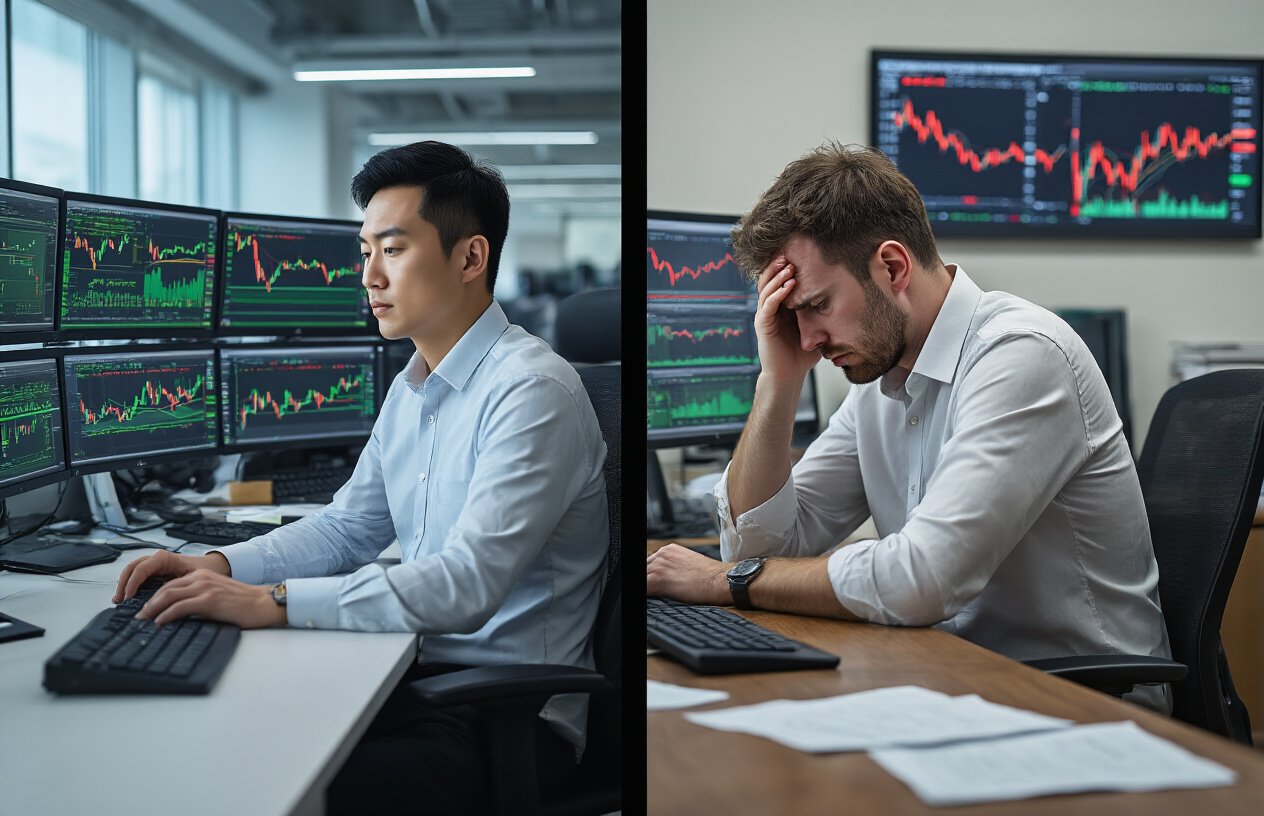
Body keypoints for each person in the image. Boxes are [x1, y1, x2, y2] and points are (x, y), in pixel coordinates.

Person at [114, 141, 610, 813]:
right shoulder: (414, 386)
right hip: (411, 677)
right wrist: (220, 564)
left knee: (275, 791)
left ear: (470, 257)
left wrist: (277, 601)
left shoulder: (531, 391)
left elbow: (469, 582)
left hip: (505, 716)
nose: (370, 276)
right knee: (209, 742)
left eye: (395, 249)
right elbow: (349, 528)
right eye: (365, 251)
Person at [646, 142, 1172, 713]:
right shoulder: (883, 378)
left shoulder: (1021, 355)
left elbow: (922, 579)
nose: (807, 339)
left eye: (817, 305)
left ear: (892, 267)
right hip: (951, 677)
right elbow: (755, 546)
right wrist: (777, 383)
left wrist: (724, 582)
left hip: (1081, 701)